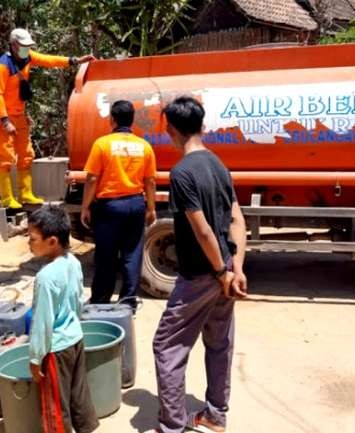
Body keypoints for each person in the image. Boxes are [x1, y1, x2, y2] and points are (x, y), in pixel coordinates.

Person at [146, 96, 247, 433]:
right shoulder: (219, 165)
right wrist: (237, 269)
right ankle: (216, 415)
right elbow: (237, 219)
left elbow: (202, 230)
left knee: (167, 345)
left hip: (202, 274)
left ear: (170, 130)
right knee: (219, 341)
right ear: (202, 126)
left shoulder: (182, 173)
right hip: (225, 268)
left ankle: (172, 425)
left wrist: (220, 272)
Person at [0, 28, 95, 209]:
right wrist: (5, 121)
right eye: (23, 46)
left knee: (26, 154)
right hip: (2, 116)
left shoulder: (27, 57)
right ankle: (7, 198)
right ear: (14, 45)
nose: (26, 49)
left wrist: (74, 61)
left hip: (19, 113)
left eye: (28, 46)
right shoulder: (1, 66)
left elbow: (49, 60)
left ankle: (26, 194)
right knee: (6, 156)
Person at [27, 206, 99, 433]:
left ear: (52, 241)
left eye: (32, 238)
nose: (29, 243)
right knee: (79, 396)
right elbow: (79, 301)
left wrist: (35, 357)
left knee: (55, 407)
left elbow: (42, 322)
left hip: (56, 350)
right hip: (75, 339)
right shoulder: (73, 262)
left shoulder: (45, 277)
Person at [80, 100, 156, 311]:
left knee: (106, 255)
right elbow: (150, 181)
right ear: (132, 120)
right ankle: (127, 302)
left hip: (110, 206)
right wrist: (151, 208)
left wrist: (85, 206)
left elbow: (92, 179)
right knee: (132, 254)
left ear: (112, 119)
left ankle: (101, 300)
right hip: (135, 204)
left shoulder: (102, 144)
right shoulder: (144, 146)